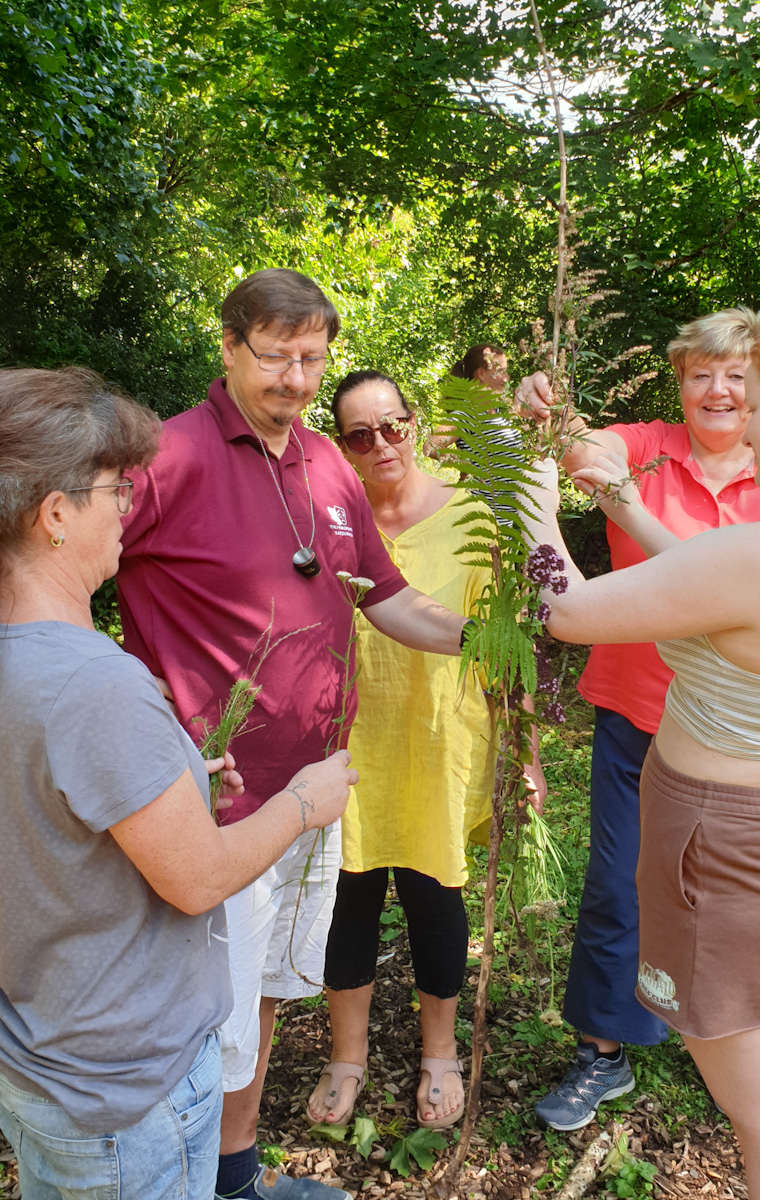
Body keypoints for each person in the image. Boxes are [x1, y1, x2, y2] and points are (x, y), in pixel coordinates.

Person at [115, 269, 472, 1200]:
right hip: (214, 804)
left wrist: (494, 637)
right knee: (207, 1014)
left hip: (316, 792)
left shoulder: (325, 463)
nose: (296, 377)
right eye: (275, 355)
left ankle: (233, 1175)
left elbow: (387, 597)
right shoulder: (166, 455)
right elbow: (59, 569)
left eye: (312, 357)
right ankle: (182, 1182)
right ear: (228, 346)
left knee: (266, 993)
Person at [521, 312, 760, 1200]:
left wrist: (531, 505)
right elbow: (716, 582)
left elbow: (568, 611)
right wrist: (626, 504)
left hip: (720, 860)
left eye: (754, 400)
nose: (738, 420)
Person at [0, 367, 356, 1200]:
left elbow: (48, 818)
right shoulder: (99, 683)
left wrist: (173, 785)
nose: (129, 505)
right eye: (114, 490)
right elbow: (196, 878)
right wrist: (304, 803)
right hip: (129, 1088)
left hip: (43, 1055)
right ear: (55, 516)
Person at [515, 308, 760, 1130]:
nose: (718, 389)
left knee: (728, 898)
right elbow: (584, 451)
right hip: (637, 718)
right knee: (618, 884)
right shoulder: (647, 444)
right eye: (701, 372)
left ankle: (727, 1038)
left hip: (736, 733)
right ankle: (604, 1052)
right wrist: (548, 417)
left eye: (735, 374)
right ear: (679, 381)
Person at [303, 370, 546, 1131]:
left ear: (415, 422)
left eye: (392, 425)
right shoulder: (322, 519)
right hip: (346, 743)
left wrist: (528, 751)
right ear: (338, 444)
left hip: (441, 740)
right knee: (347, 904)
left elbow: (504, 645)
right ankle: (347, 1056)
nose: (380, 445)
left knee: (434, 901)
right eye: (358, 434)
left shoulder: (472, 517)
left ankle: (438, 1052)